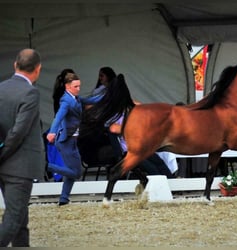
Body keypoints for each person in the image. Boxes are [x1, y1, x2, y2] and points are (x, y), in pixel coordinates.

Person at [79, 74, 174, 178]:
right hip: (127, 151)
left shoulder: (126, 109)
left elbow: (139, 106)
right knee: (152, 168)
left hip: (138, 147)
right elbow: (113, 129)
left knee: (159, 162)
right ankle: (160, 188)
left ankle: (174, 185)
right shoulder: (110, 113)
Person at [0, 48, 44, 247]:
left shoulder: (1, 88)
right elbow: (19, 131)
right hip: (19, 164)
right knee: (15, 217)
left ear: (15, 65)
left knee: (20, 218)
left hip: (5, 165)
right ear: (38, 69)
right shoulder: (30, 92)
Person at [46, 72, 102, 206]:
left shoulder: (75, 99)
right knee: (76, 173)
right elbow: (58, 117)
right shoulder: (66, 101)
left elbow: (91, 100)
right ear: (67, 87)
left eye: (79, 86)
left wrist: (110, 96)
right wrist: (52, 132)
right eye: (76, 87)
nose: (78, 89)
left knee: (72, 172)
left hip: (72, 141)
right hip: (65, 141)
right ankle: (48, 167)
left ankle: (64, 199)